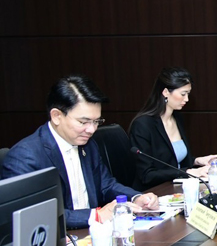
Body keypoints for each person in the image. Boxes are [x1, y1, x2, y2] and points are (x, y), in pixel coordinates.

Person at [1, 75, 159, 229]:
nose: (92, 129)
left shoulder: (88, 145)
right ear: (56, 116)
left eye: (96, 121)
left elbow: (105, 185)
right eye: (83, 122)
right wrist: (95, 215)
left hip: (94, 234)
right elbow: (35, 216)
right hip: (61, 240)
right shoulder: (25, 157)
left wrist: (136, 197)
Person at [128, 67, 217, 190]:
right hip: (154, 192)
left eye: (188, 94)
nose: (187, 99)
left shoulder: (177, 117)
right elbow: (147, 175)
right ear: (166, 92)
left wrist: (198, 161)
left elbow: (173, 161)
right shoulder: (143, 125)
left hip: (177, 187)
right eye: (183, 94)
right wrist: (188, 172)